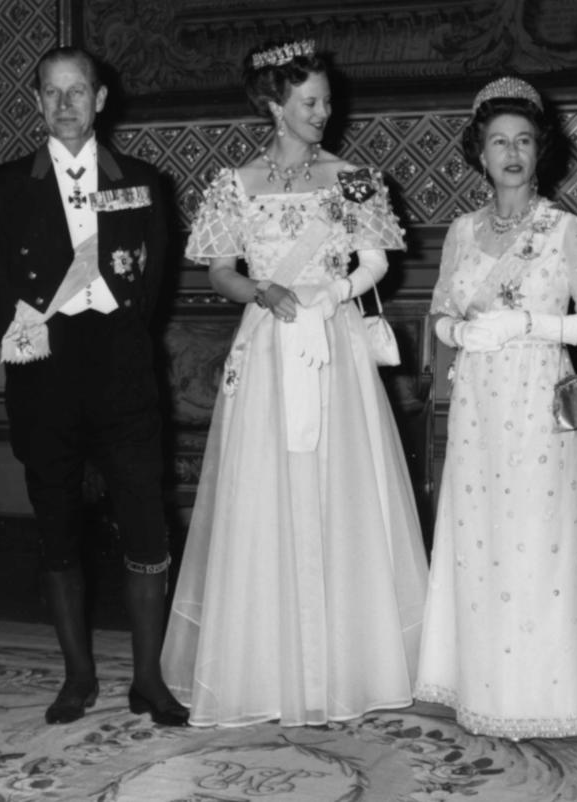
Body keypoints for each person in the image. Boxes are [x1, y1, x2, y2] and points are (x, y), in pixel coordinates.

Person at [160, 39, 429, 727]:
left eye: (327, 100)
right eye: (310, 102)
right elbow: (219, 269)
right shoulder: (235, 183)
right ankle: (268, 667)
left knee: (339, 492)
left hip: (333, 342)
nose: (324, 112)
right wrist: (260, 289)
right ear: (275, 105)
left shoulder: (353, 176)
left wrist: (334, 289)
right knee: (265, 495)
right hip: (268, 343)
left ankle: (347, 664)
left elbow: (375, 261)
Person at [0, 47, 187, 727]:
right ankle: (77, 679)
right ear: (37, 102)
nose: (65, 104)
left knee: (146, 528)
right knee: (58, 529)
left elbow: (151, 290)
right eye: (51, 93)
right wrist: (39, 351)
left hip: (122, 373)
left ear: (101, 101)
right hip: (45, 374)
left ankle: (149, 681)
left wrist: (113, 341)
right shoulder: (7, 186)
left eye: (77, 92)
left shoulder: (143, 183)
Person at [414, 77, 577, 740]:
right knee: (483, 539)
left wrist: (533, 325)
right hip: (478, 403)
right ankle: (483, 685)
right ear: (479, 153)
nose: (511, 153)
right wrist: (458, 334)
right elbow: (441, 312)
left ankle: (546, 694)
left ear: (540, 153)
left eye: (524, 142)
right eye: (498, 142)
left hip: (539, 402)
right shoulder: (462, 231)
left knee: (539, 540)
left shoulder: (567, 230)